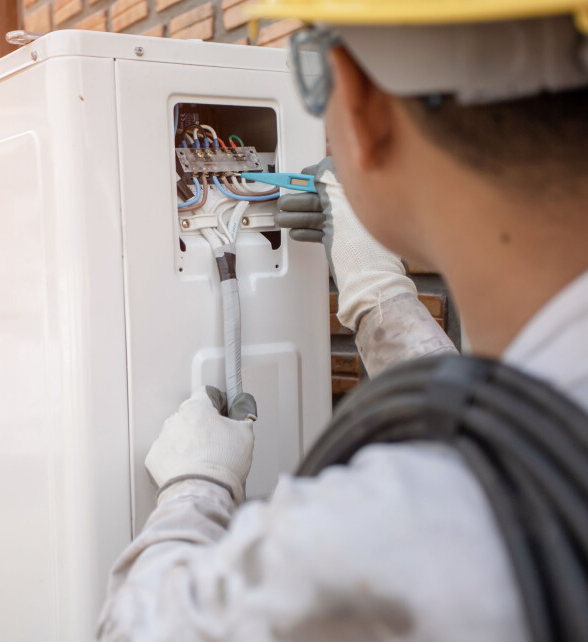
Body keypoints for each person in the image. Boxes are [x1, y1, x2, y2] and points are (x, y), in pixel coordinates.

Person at [97, 2, 588, 640]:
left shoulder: (386, 533)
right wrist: (377, 292)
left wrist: (195, 486)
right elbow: (515, 415)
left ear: (358, 104)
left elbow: (135, 628)